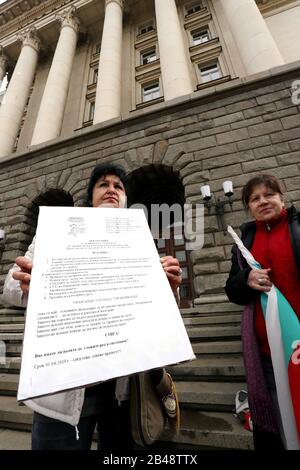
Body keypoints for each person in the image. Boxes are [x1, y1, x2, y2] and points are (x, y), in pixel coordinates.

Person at [2, 163, 182, 450]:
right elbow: (9, 289)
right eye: (103, 185)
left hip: (123, 392)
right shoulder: (56, 231)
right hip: (63, 391)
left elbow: (154, 314)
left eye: (118, 186)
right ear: (91, 197)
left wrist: (169, 290)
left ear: (125, 200)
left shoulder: (140, 241)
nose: (111, 189)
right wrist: (28, 282)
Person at [225, 174, 300, 450]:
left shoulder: (297, 227)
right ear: (248, 207)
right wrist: (246, 280)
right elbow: (231, 289)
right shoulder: (244, 240)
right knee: (280, 427)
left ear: (282, 198)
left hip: (298, 346)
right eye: (255, 198)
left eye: (269, 194)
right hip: (266, 356)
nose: (263, 201)